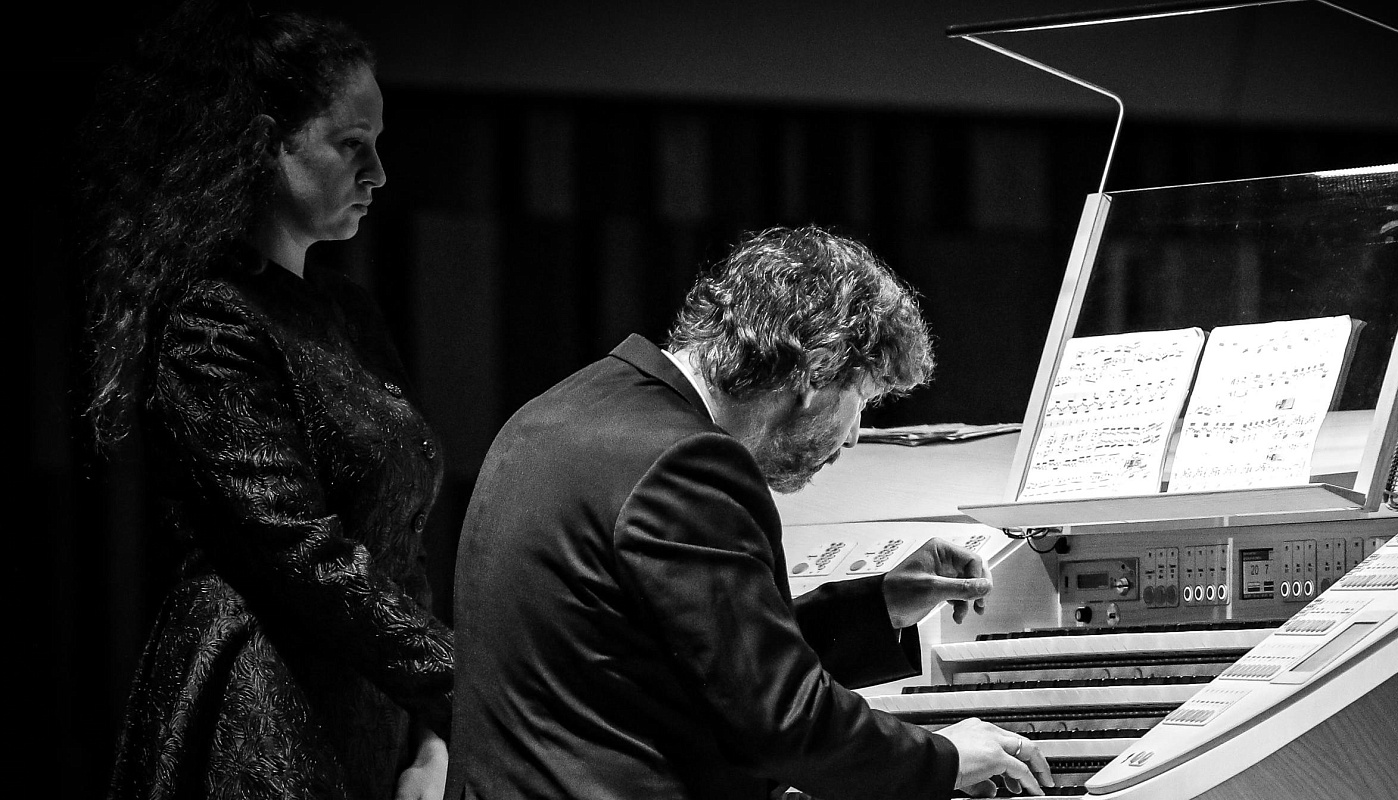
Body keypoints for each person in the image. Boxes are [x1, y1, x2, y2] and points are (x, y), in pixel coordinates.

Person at [447, 226, 1053, 799]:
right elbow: (782, 721)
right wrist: (944, 758)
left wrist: (879, 607)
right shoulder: (685, 463)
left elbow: (709, 660)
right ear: (815, 374)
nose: (852, 437)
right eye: (861, 400)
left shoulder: (560, 412)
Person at [74, 2, 454, 798]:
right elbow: (298, 552)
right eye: (352, 144)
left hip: (365, 709)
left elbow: (400, 540)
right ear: (264, 144)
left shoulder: (348, 313)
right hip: (260, 717)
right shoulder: (211, 320)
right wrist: (461, 684)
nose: (379, 173)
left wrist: (429, 733)